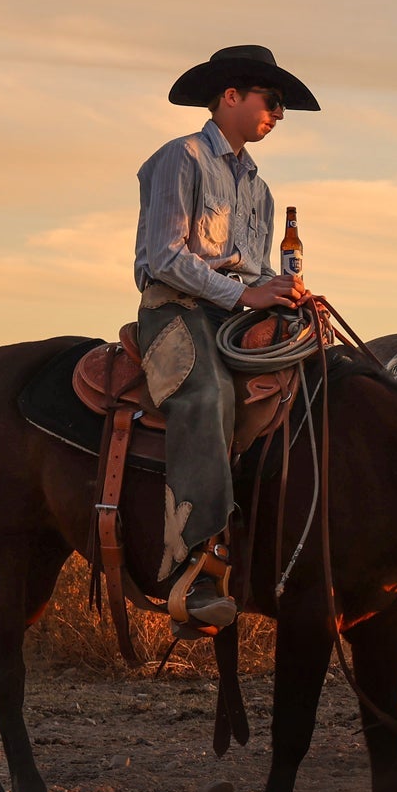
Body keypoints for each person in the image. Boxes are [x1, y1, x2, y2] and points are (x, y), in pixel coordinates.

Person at [132, 44, 314, 636]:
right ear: (230, 96)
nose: (279, 114)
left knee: (315, 384)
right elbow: (164, 256)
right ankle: (194, 568)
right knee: (206, 396)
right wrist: (244, 295)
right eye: (273, 100)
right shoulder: (179, 158)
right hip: (177, 309)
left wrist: (282, 292)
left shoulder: (257, 187)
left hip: (234, 311)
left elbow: (255, 269)